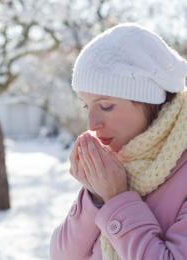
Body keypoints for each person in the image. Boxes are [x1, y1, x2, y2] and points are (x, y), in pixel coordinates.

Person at [50, 23, 187, 260]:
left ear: (149, 102)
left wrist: (116, 198)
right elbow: (62, 256)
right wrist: (94, 196)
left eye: (106, 106)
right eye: (86, 106)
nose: (92, 124)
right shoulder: (118, 161)